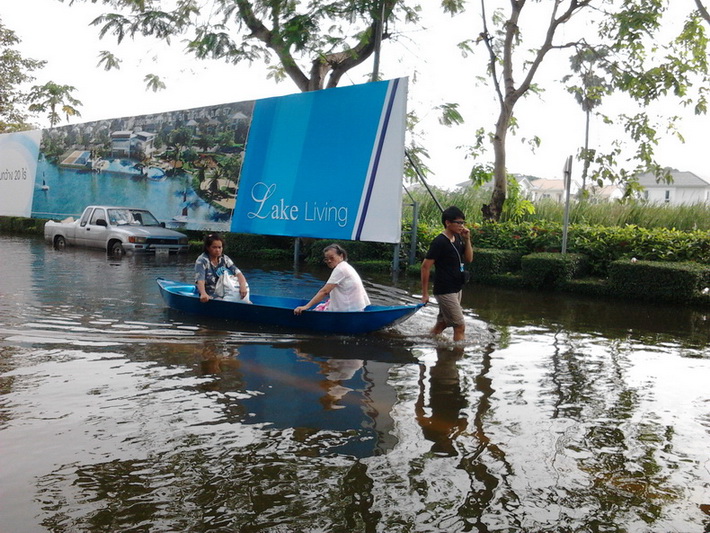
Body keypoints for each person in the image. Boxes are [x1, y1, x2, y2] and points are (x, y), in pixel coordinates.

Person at [420, 206, 473, 342]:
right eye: (458, 222)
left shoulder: (458, 237)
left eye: (463, 223)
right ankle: (455, 356)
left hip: (457, 288)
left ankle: (424, 340)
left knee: (442, 323)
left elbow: (469, 259)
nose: (461, 226)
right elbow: (425, 267)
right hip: (445, 290)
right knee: (460, 326)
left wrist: (467, 240)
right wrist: (425, 293)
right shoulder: (439, 242)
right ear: (448, 223)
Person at [293, 244, 371, 315]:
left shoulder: (340, 269)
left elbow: (324, 291)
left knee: (317, 309)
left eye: (332, 258)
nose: (329, 261)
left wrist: (306, 306)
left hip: (348, 310)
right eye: (326, 259)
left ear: (341, 256)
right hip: (358, 307)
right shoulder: (346, 266)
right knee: (326, 303)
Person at [195, 233, 249, 303]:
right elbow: (200, 280)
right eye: (214, 247)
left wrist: (243, 286)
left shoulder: (225, 259)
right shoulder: (202, 260)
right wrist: (203, 293)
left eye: (219, 247)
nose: (217, 250)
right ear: (208, 248)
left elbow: (238, 273)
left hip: (225, 293)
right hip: (209, 295)